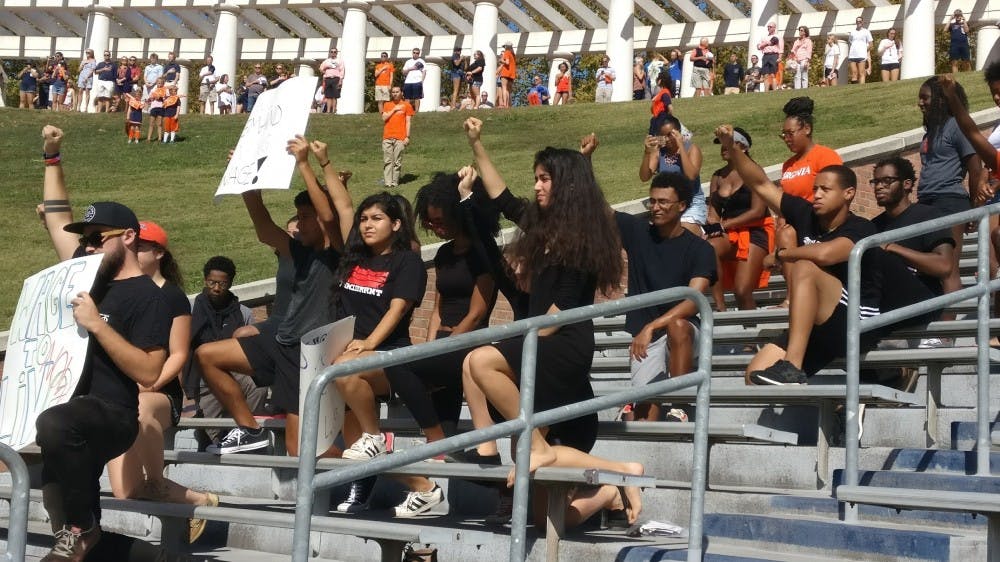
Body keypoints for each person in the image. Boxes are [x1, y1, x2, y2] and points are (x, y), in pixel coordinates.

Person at [461, 116, 645, 529]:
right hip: (541, 339)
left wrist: (520, 337)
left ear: (566, 185)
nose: (538, 186)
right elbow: (501, 196)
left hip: (563, 343)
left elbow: (559, 313)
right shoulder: (542, 226)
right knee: (545, 521)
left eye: (545, 179)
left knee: (481, 360)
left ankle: (532, 444)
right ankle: (615, 483)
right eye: (537, 178)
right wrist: (476, 143)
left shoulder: (581, 237)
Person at [34, 124, 172, 561]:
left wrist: (98, 325)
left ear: (127, 237)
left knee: (54, 426)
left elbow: (149, 371)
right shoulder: (84, 271)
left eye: (97, 238)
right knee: (61, 511)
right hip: (72, 412)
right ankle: (150, 556)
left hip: (112, 413)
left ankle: (83, 528)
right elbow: (56, 216)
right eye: (86, 240)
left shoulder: (149, 296)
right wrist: (52, 155)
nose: (88, 247)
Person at [715, 126, 909, 385]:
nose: (816, 195)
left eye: (825, 190)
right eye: (815, 188)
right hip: (819, 322)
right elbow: (761, 184)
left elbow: (826, 254)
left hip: (857, 319)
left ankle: (793, 366)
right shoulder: (805, 213)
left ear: (848, 193)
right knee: (754, 377)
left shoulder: (861, 227)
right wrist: (733, 147)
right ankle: (875, 379)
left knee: (806, 265)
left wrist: (782, 255)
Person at [198, 136, 350, 456]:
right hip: (282, 340)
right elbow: (264, 227)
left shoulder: (337, 253)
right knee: (207, 355)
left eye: (305, 216)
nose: (299, 223)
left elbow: (329, 218)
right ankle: (250, 430)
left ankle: (358, 470)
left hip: (309, 352)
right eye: (298, 215)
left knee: (299, 449)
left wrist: (304, 163)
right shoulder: (298, 250)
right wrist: (246, 181)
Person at [102, 220, 220, 544]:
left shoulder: (172, 296)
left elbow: (179, 354)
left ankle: (157, 479)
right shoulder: (115, 292)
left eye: (141, 247)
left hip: (159, 393)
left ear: (159, 253)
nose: (133, 252)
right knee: (125, 491)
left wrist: (150, 384)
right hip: (120, 394)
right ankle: (199, 501)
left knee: (140, 406)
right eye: (131, 247)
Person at [329, 193, 443, 517]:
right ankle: (425, 489)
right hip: (349, 359)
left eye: (376, 218)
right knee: (358, 452)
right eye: (364, 219)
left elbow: (398, 308)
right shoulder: (353, 259)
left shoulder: (407, 261)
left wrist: (369, 343)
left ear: (395, 224)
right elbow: (342, 209)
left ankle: (374, 436)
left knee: (345, 373)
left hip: (390, 356)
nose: (367, 225)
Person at [915, 76, 985, 347]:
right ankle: (929, 326)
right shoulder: (930, 132)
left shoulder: (956, 126)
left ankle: (946, 333)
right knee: (927, 268)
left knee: (948, 268)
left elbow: (975, 167)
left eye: (925, 98)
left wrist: (975, 209)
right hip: (926, 203)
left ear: (941, 100)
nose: (920, 103)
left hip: (950, 201)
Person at [186, 256, 268, 451]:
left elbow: (250, 349)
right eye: (211, 282)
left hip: (235, 369)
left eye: (222, 284)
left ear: (230, 283)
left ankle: (248, 430)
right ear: (205, 280)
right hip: (203, 375)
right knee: (210, 435)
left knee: (259, 385)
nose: (216, 288)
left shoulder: (243, 312)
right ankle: (214, 436)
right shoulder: (191, 310)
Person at [871, 157, 956, 303]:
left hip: (922, 302)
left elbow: (944, 266)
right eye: (876, 181)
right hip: (885, 304)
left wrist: (892, 248)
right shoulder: (874, 225)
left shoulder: (929, 215)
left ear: (907, 184)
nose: (879, 186)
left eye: (887, 181)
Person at [706, 128, 773, 311]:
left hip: (756, 231)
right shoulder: (717, 176)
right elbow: (713, 211)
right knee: (709, 247)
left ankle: (751, 328)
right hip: (730, 233)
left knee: (742, 291)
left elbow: (757, 212)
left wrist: (724, 225)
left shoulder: (754, 171)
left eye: (728, 144)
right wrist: (711, 227)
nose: (723, 148)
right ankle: (720, 309)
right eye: (721, 144)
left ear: (743, 147)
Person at [640, 114, 707, 235]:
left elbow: (691, 176)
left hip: (691, 203)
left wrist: (681, 146)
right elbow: (644, 177)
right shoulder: (659, 152)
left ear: (679, 133)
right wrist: (647, 152)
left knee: (683, 232)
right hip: (668, 205)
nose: (667, 139)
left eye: (670, 134)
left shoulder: (692, 149)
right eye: (663, 136)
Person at [778, 97, 843, 201]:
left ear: (807, 129)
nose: (786, 139)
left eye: (790, 133)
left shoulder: (826, 156)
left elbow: (834, 195)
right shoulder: (787, 165)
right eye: (784, 135)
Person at [381, 86, 415, 190]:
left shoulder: (407, 105)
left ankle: (395, 182)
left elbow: (408, 122)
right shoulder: (387, 105)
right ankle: (388, 182)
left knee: (397, 161)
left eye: (397, 92)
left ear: (401, 93)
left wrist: (407, 136)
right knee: (388, 160)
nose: (395, 94)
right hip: (387, 136)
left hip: (400, 137)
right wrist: (394, 109)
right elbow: (384, 118)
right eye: (393, 92)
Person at [758, 22, 783, 91]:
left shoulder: (778, 36)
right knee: (765, 75)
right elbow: (758, 46)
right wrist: (766, 44)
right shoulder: (764, 37)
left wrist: (780, 57)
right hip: (765, 55)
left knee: (773, 74)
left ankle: (774, 91)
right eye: (768, 26)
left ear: (774, 28)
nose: (769, 28)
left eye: (770, 27)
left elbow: (781, 48)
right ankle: (766, 92)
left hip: (774, 55)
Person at [848, 17, 873, 84]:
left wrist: (864, 50)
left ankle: (862, 88)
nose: (858, 22)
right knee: (854, 73)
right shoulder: (852, 32)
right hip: (852, 55)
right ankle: (854, 89)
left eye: (860, 21)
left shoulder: (866, 31)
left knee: (861, 73)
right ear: (856, 22)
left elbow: (871, 44)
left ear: (862, 22)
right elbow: (850, 42)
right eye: (857, 21)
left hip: (861, 55)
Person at [946, 10, 971, 74]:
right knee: (954, 62)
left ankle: (969, 75)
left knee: (966, 62)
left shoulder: (964, 23)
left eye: (959, 15)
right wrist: (950, 19)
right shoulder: (952, 25)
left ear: (961, 15)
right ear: (954, 16)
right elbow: (945, 30)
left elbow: (967, 31)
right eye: (956, 15)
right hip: (954, 45)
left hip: (964, 44)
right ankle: (956, 76)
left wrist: (964, 20)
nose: (958, 16)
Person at [320, 48, 344, 114]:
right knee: (328, 96)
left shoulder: (340, 61)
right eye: (332, 52)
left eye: (334, 52)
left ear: (337, 53)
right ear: (330, 53)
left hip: (336, 78)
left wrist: (340, 81)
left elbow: (342, 71)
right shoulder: (326, 61)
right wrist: (325, 70)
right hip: (328, 79)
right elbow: (321, 68)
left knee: (335, 96)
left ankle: (333, 111)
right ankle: (328, 111)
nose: (333, 53)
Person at [146, 76, 166, 143]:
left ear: (163, 84)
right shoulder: (153, 90)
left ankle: (159, 138)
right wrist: (150, 99)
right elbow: (150, 99)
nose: (160, 84)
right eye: (158, 83)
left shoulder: (164, 90)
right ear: (156, 83)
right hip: (154, 108)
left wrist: (161, 98)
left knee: (159, 124)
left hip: (161, 108)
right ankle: (149, 138)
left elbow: (165, 99)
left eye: (161, 83)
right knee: (151, 123)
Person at [498, 42, 516, 108]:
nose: (504, 48)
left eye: (504, 46)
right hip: (512, 74)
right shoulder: (513, 54)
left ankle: (504, 104)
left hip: (505, 73)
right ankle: (507, 105)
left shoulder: (507, 52)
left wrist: (501, 60)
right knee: (508, 90)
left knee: (504, 88)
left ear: (506, 46)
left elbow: (507, 62)